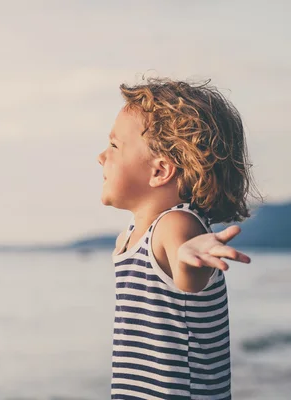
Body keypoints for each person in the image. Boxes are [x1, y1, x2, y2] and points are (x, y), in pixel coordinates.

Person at [97, 78, 260, 399]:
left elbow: (186, 271)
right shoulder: (132, 236)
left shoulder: (175, 224)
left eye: (115, 146)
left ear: (160, 171)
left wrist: (190, 252)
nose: (102, 156)